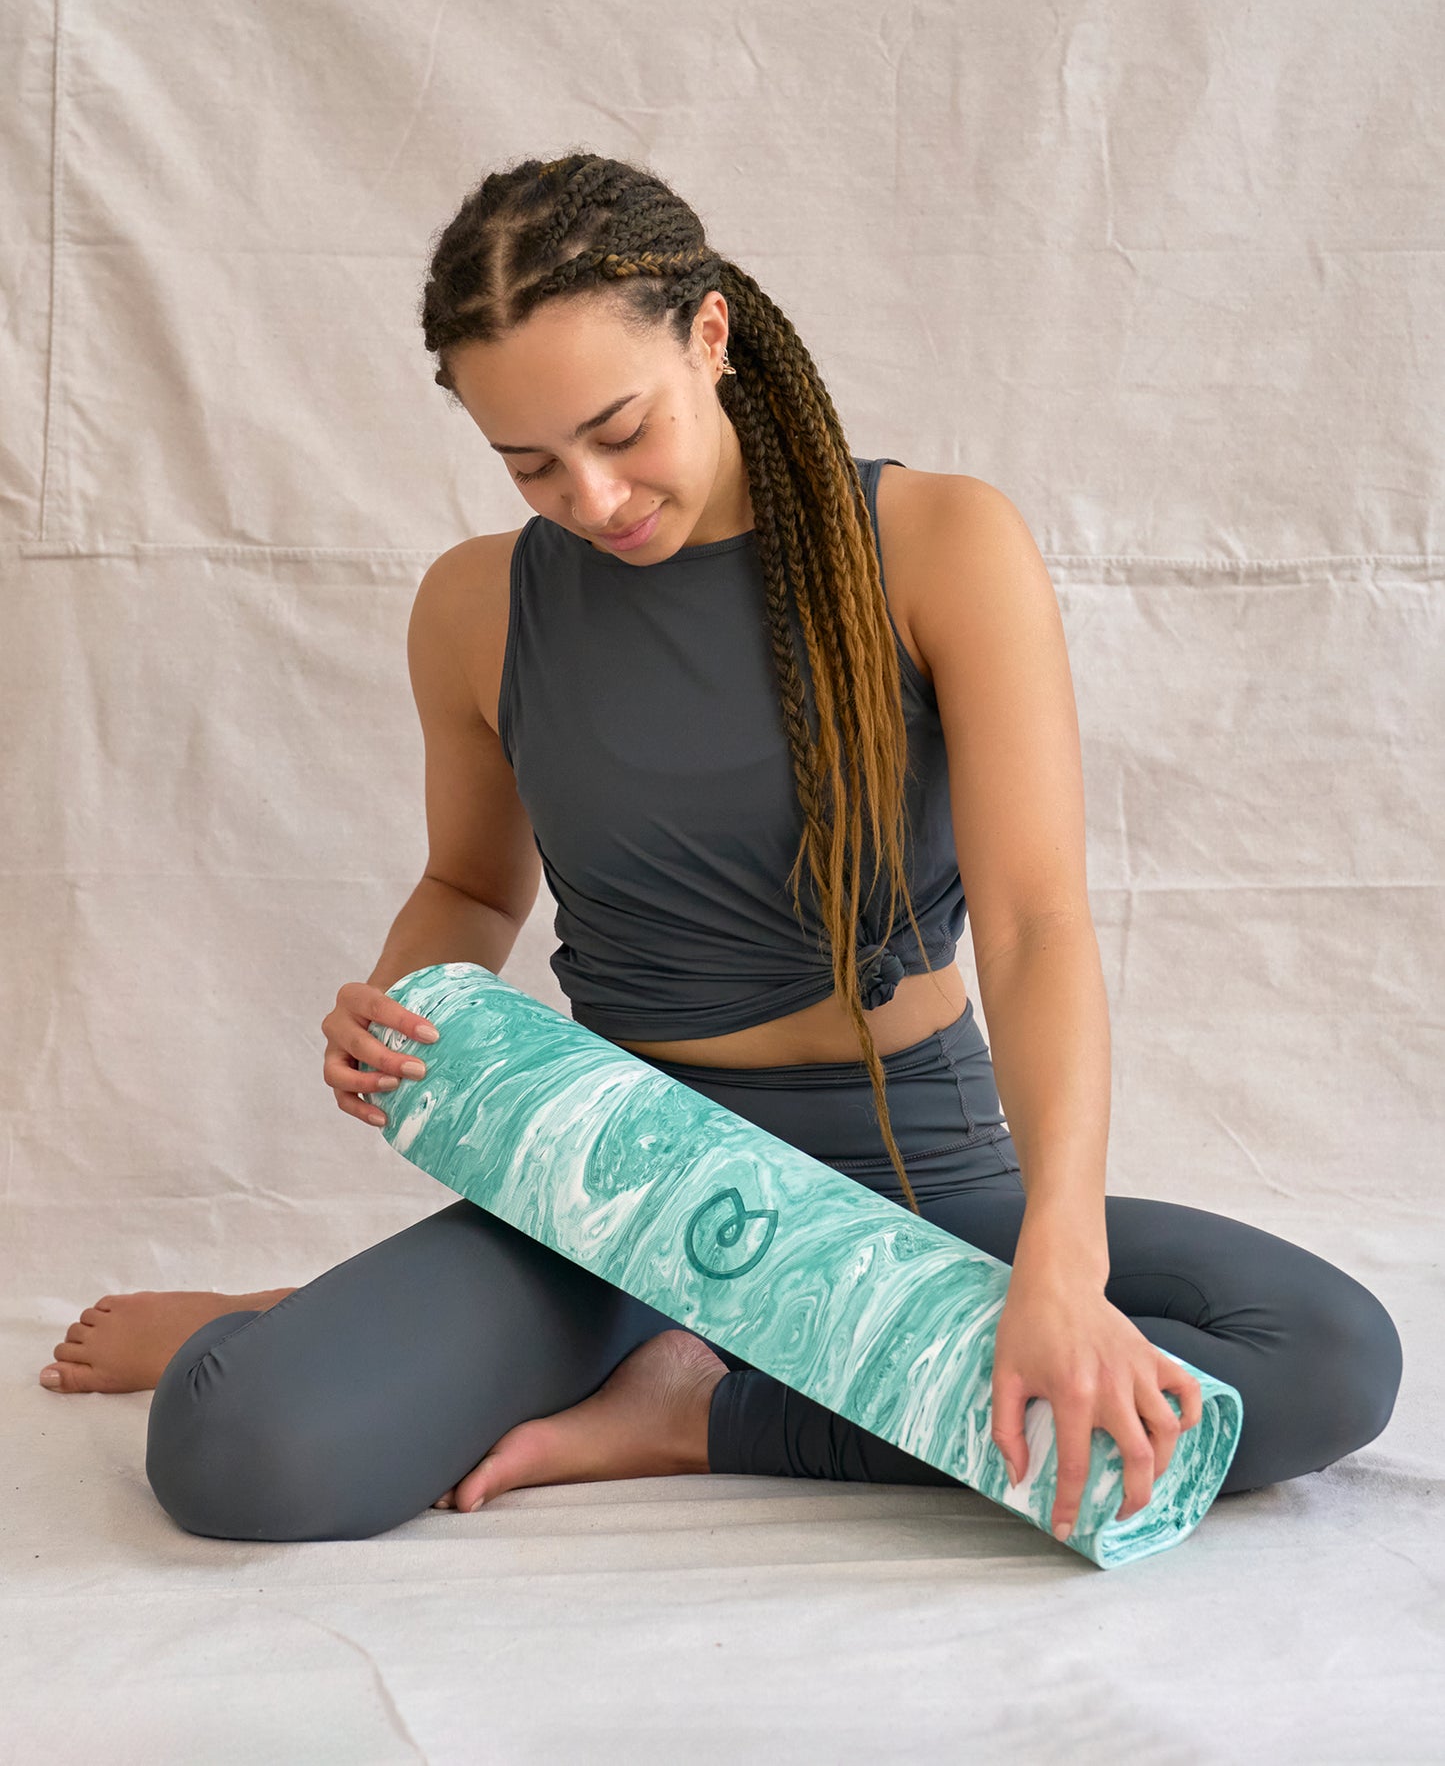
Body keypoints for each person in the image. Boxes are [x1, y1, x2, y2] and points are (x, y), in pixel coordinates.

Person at [39, 151, 1402, 1544]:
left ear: (706, 334)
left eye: (618, 429)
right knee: (236, 1454)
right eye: (530, 464)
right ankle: (319, 1325)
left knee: (1324, 1363)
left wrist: (1057, 1257)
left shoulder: (936, 544)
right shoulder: (475, 606)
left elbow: (1037, 924)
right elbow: (467, 883)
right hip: (617, 1179)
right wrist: (397, 1002)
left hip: (914, 1162)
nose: (592, 494)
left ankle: (691, 1410)